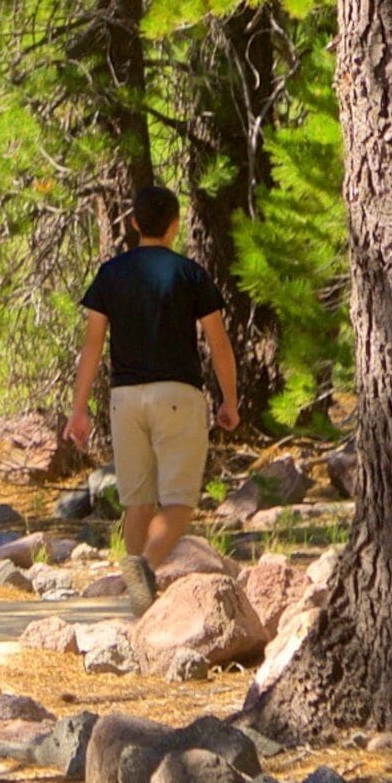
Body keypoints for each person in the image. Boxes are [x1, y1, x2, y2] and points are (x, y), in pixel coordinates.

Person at [62, 182, 242, 599]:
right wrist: (230, 400)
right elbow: (218, 343)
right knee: (178, 501)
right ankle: (142, 567)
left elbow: (92, 346)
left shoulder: (111, 274)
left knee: (137, 503)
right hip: (177, 394)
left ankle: (139, 599)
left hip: (126, 398)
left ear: (133, 223)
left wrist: (79, 408)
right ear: (175, 227)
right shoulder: (190, 274)